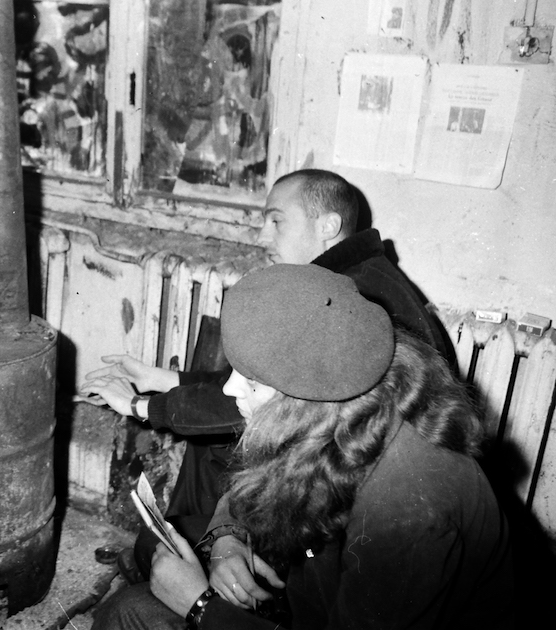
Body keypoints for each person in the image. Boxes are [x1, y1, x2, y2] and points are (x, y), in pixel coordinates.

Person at [90, 264, 514, 630]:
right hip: (318, 583)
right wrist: (228, 538)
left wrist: (201, 607)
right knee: (156, 549)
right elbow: (253, 485)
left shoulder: (408, 510)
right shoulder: (345, 406)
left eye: (252, 381)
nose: (232, 388)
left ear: (306, 401)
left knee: (129, 613)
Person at [84, 169, 454, 579]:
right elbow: (259, 382)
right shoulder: (355, 277)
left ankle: (186, 569)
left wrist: (140, 405)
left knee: (214, 451)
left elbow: (258, 403)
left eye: (276, 220)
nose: (262, 237)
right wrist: (163, 380)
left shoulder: (352, 297)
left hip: (348, 505)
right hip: (345, 468)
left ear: (328, 226)